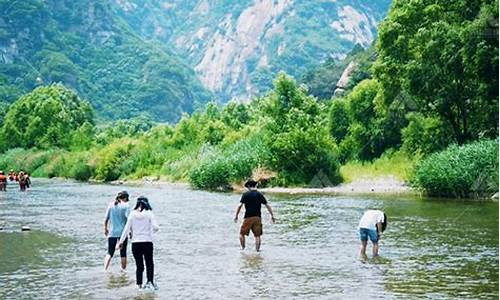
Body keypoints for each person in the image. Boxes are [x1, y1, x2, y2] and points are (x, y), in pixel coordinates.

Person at [118, 196, 159, 290]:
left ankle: (139, 285)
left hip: (135, 243)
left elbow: (126, 229)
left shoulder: (132, 214)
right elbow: (156, 227)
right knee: (149, 263)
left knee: (139, 265)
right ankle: (150, 282)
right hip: (147, 242)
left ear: (137, 203)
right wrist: (150, 232)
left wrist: (121, 242)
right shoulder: (149, 213)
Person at [234, 179, 275, 252]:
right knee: (257, 236)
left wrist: (236, 215)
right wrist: (272, 215)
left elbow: (239, 205)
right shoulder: (259, 194)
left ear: (249, 186)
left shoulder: (245, 194)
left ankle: (243, 249)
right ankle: (257, 251)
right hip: (257, 217)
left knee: (241, 234)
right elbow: (267, 205)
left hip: (248, 217)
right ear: (254, 185)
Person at [104, 191, 131, 271]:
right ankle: (123, 271)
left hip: (112, 232)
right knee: (123, 253)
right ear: (125, 198)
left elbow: (106, 219)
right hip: (122, 233)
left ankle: (105, 269)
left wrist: (105, 229)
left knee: (109, 252)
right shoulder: (126, 206)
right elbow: (129, 219)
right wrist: (130, 231)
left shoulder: (111, 205)